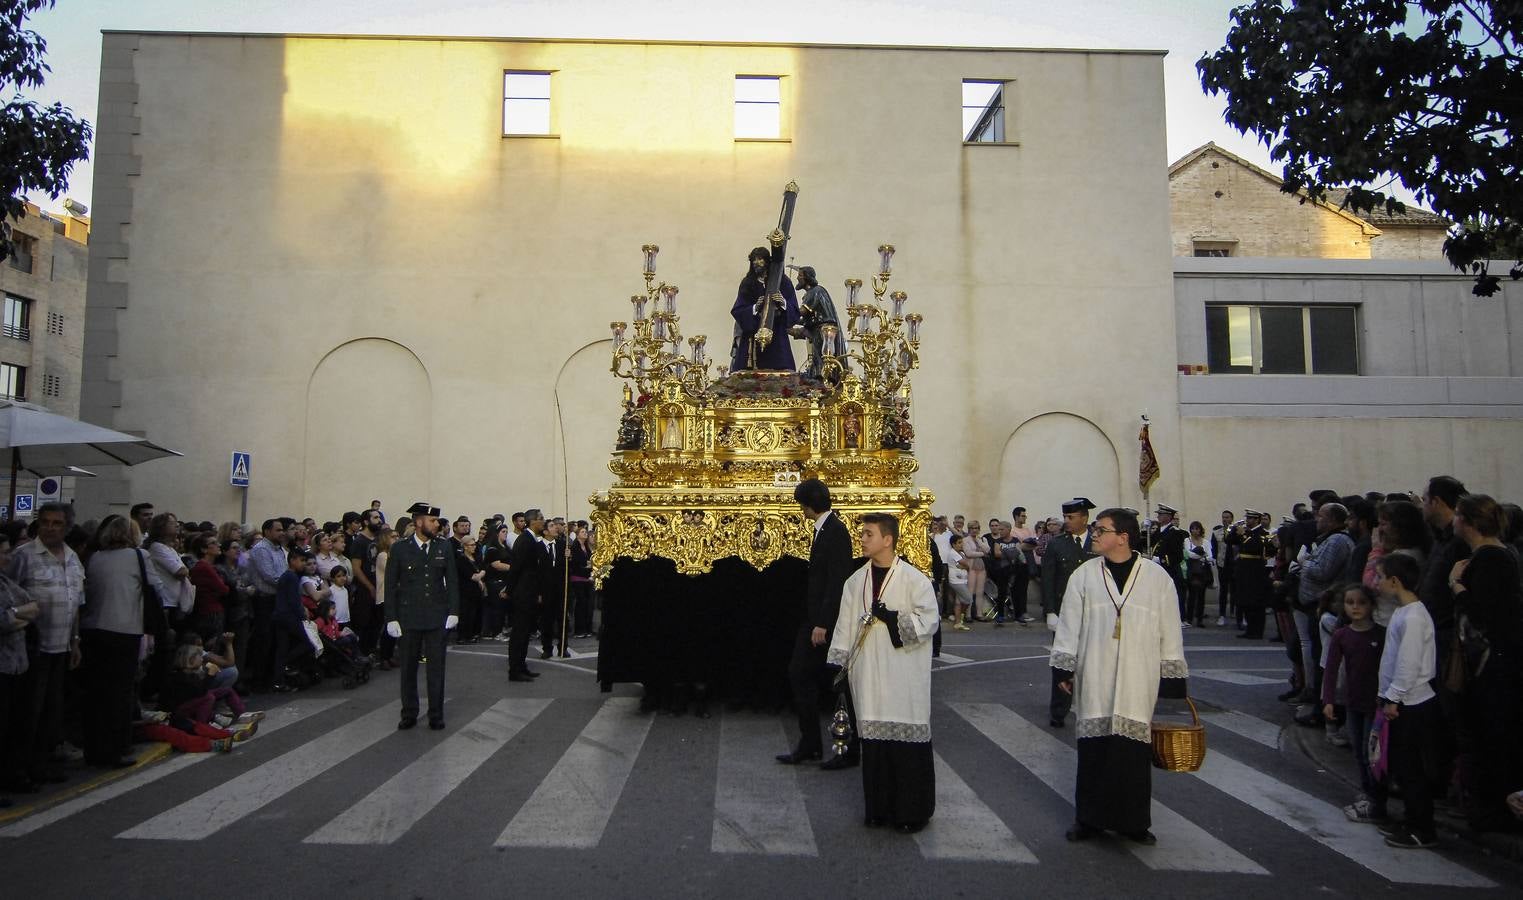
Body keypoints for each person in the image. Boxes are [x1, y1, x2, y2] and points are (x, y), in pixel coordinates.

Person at [1051, 507, 1189, 846]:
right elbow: (1069, 626)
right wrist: (1064, 669)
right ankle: (1089, 819)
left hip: (1137, 674)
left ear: (1123, 538)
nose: (1094, 535)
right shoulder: (1084, 575)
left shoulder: (1157, 578)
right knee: (1094, 749)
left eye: (1101, 530)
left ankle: (1133, 822)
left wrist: (1171, 677)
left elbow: (1170, 629)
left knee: (1131, 754)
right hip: (1095, 671)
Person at [826, 512, 938, 833]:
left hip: (903, 673)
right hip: (869, 673)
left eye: (868, 534)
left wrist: (892, 618)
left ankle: (911, 813)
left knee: (905, 743)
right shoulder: (855, 581)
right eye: (862, 534)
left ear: (887, 540)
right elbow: (846, 624)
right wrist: (840, 664)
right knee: (874, 742)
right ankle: (878, 808)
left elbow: (929, 620)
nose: (862, 539)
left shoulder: (914, 579)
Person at [1447, 493, 1523, 833]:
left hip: (1492, 664)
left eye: (1459, 516)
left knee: (1490, 736)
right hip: (1491, 662)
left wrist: (1457, 587)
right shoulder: (1494, 555)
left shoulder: (1492, 558)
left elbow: (1485, 613)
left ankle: (1493, 809)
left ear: (1468, 521)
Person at [5, 503, 85, 789]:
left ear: (67, 527)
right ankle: (18, 769)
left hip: (61, 646)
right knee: (28, 711)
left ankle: (42, 762)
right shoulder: (23, 556)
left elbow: (75, 602)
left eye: (57, 523)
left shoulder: (74, 558)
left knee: (52, 710)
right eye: (45, 522)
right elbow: (7, 593)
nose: (50, 528)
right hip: (31, 647)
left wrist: (75, 640)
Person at [779, 478, 855, 768]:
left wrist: (822, 623)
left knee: (830, 680)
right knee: (806, 675)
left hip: (825, 622)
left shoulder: (834, 532)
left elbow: (836, 582)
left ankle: (843, 746)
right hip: (816, 619)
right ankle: (811, 743)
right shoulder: (826, 529)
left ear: (808, 505)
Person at [80, 516, 165, 769]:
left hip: (92, 630)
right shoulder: (137, 556)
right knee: (119, 693)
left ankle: (93, 747)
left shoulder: (95, 557)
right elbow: (156, 588)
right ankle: (115, 748)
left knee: (96, 693)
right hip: (123, 629)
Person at [1374, 553, 1441, 849]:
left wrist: (1394, 698)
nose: (1375, 583)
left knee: (1412, 768)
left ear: (1394, 581)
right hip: (1401, 700)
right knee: (1403, 766)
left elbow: (1409, 663)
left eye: (1379, 577)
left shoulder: (1414, 616)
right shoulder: (1403, 612)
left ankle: (1422, 827)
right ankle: (1413, 819)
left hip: (1412, 702)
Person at [384, 503, 459, 730]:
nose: (437, 524)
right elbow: (390, 585)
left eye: (437, 521)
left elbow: (452, 581)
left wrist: (454, 611)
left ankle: (436, 714)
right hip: (409, 616)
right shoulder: (400, 548)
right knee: (408, 668)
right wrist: (391, 617)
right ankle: (409, 712)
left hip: (436, 615)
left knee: (436, 668)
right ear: (419, 522)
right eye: (432, 520)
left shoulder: (443, 547)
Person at [1322, 583, 1387, 823]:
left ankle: (1375, 796)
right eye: (1350, 603)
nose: (1356, 607)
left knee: (1370, 752)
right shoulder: (1342, 635)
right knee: (1359, 751)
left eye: (1361, 603)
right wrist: (1328, 699)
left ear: (1371, 605)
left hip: (1376, 701)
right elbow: (1330, 669)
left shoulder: (1380, 634)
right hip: (1353, 700)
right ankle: (1367, 791)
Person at [1042, 498, 1095, 727]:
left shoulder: (1097, 542)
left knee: (1093, 661)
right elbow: (1048, 579)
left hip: (1093, 612)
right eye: (1064, 517)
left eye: (1071, 517)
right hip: (1065, 613)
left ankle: (1092, 706)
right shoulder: (1057, 544)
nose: (1066, 521)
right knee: (1063, 662)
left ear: (1084, 518)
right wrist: (1050, 611)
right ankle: (1059, 710)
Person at [729, 245, 801, 372]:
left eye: (760, 259)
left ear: (768, 261)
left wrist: (783, 302)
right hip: (752, 339)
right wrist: (754, 308)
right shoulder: (747, 283)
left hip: (777, 336)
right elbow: (738, 310)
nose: (756, 262)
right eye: (754, 260)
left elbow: (795, 311)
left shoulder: (783, 282)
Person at [506, 509, 547, 682]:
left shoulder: (531, 540)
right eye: (541, 519)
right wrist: (509, 590)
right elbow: (516, 568)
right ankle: (515, 670)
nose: (543, 522)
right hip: (522, 593)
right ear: (533, 522)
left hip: (528, 593)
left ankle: (522, 666)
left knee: (525, 633)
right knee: (519, 633)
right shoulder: (525, 541)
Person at [791, 266, 845, 379]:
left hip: (824, 332)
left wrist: (785, 310)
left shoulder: (815, 291)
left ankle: (823, 382)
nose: (797, 278)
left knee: (822, 364)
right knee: (818, 362)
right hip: (819, 331)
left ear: (807, 278)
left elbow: (801, 312)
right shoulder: (813, 292)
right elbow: (804, 321)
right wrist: (785, 327)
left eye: (800, 275)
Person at [1228, 509, 1272, 639]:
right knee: (1245, 600)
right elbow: (1229, 540)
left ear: (1257, 520)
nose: (1247, 521)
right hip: (1243, 571)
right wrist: (1235, 529)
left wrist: (1243, 536)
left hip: (1255, 571)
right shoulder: (1246, 532)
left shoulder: (1262, 533)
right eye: (1247, 518)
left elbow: (1257, 547)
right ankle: (1249, 629)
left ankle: (1257, 631)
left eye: (1250, 519)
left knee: (1256, 602)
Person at [1149, 504, 1188, 623]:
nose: (1158, 516)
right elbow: (1149, 543)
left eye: (1161, 514)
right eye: (1158, 514)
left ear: (1168, 516)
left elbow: (1177, 555)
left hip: (1170, 569)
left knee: (1173, 595)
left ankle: (1178, 618)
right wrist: (1145, 531)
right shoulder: (1160, 530)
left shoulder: (1174, 532)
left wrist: (1161, 560)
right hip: (1157, 569)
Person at [1183, 521, 1214, 628]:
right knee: (1191, 595)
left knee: (1201, 596)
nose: (1195, 531)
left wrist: (1202, 556)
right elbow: (1188, 554)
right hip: (1192, 570)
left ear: (1200, 530)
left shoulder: (1205, 542)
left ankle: (1200, 619)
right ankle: (1189, 618)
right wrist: (1201, 555)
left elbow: (1210, 556)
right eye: (1193, 529)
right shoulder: (1187, 540)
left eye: (1197, 529)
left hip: (1203, 571)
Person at [1210, 510, 1236, 627]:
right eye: (1223, 517)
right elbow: (1214, 547)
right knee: (1223, 590)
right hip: (1222, 564)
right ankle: (1222, 614)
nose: (1225, 519)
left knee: (1235, 589)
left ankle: (1234, 611)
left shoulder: (1237, 531)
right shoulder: (1217, 532)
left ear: (1232, 519)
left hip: (1235, 564)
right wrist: (1215, 558)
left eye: (1227, 517)